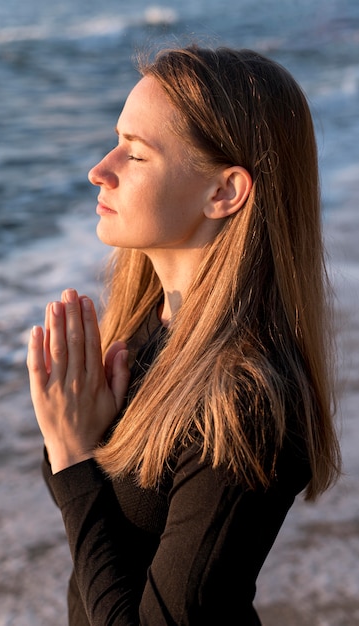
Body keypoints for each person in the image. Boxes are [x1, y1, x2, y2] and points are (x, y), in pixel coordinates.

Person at [27, 44, 341, 625]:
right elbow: (107, 530)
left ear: (224, 192)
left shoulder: (245, 399)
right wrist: (72, 436)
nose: (101, 168)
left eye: (136, 154)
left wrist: (72, 457)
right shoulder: (144, 328)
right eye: (116, 138)